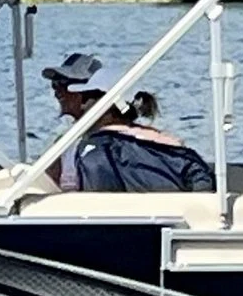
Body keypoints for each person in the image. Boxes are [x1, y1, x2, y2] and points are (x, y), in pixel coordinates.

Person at [41, 52, 212, 193]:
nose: (57, 92)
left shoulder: (81, 149)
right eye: (55, 85)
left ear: (92, 96)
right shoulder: (166, 143)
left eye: (63, 84)